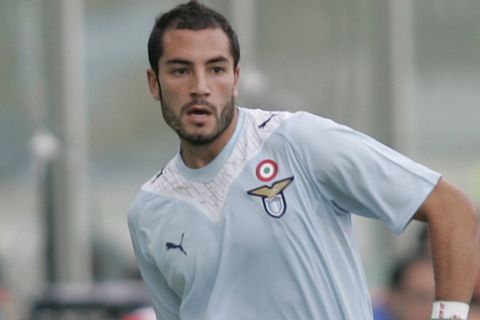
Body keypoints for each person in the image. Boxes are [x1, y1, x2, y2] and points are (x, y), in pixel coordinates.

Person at [127, 1, 479, 319]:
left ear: (236, 78)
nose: (200, 86)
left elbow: (452, 208)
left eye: (216, 69)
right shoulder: (148, 213)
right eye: (180, 70)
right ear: (154, 83)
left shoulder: (298, 141)